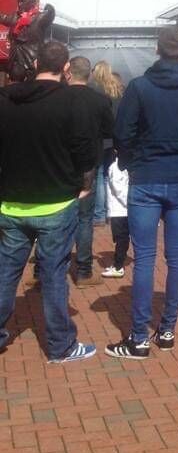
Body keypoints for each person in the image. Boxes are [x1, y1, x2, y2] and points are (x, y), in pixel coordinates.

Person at [106, 25, 178, 359]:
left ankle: (138, 337)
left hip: (147, 176)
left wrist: (131, 163)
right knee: (177, 255)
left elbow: (122, 133)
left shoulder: (139, 87)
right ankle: (167, 329)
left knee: (144, 258)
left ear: (157, 49)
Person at [0, 40, 97, 363]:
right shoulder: (72, 101)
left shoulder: (7, 100)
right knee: (55, 275)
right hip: (56, 203)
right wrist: (83, 185)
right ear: (66, 69)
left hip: (12, 204)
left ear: (36, 64)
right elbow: (85, 149)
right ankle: (60, 346)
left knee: (6, 272)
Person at [66, 56, 114, 286]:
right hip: (88, 167)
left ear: (69, 73)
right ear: (89, 75)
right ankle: (84, 270)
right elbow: (109, 130)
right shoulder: (100, 100)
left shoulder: (57, 98)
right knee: (85, 218)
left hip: (61, 166)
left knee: (58, 218)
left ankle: (47, 268)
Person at [91, 60, 125, 224]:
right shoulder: (117, 90)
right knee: (107, 176)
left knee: (98, 175)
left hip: (99, 139)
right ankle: (109, 210)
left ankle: (99, 213)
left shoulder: (96, 91)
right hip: (113, 139)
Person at [0, 0, 55, 83]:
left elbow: (50, 12)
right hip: (15, 60)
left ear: (32, 2)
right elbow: (3, 17)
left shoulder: (40, 18)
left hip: (32, 60)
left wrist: (46, 5)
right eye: (19, 1)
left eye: (23, 1)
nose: (19, 4)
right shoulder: (15, 17)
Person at [102, 157, 130, 278]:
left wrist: (130, 203)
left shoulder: (116, 166)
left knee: (121, 238)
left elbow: (119, 190)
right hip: (122, 209)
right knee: (122, 238)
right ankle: (118, 264)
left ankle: (118, 267)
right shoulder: (123, 165)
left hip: (120, 210)